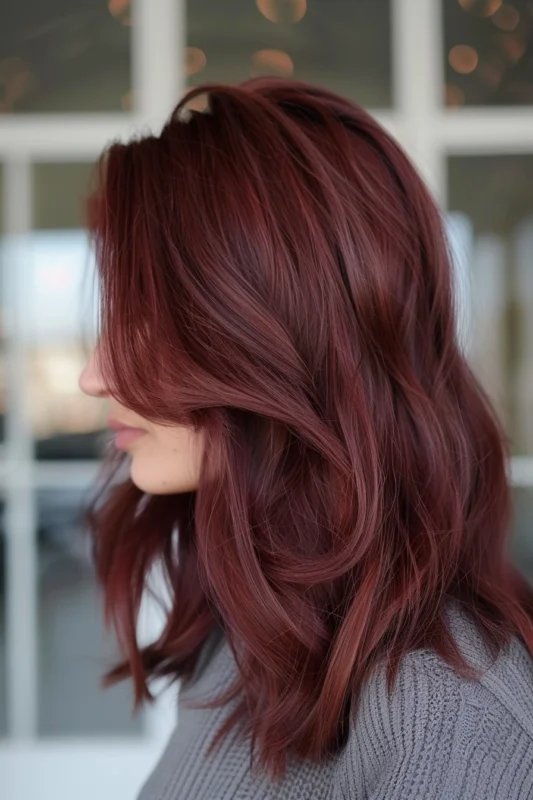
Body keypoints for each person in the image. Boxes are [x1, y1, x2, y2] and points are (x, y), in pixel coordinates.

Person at [79, 77, 533, 799]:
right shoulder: (259, 631)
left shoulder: (450, 728)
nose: (93, 376)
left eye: (146, 323)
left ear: (282, 338)